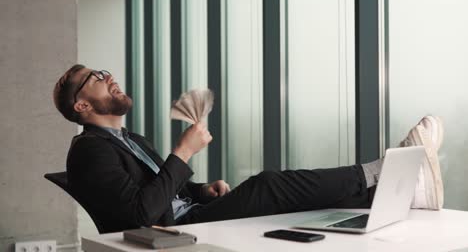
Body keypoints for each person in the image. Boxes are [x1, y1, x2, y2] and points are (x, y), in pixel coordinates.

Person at [53, 64, 444, 233]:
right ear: (81, 106)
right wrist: (183, 153)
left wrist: (200, 190)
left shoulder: (130, 140)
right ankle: (382, 171)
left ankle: (392, 192)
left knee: (279, 196)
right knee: (267, 186)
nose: (108, 77)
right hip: (172, 231)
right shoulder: (88, 151)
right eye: (94, 78)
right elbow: (140, 213)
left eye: (105, 72)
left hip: (193, 213)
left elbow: (161, 190)